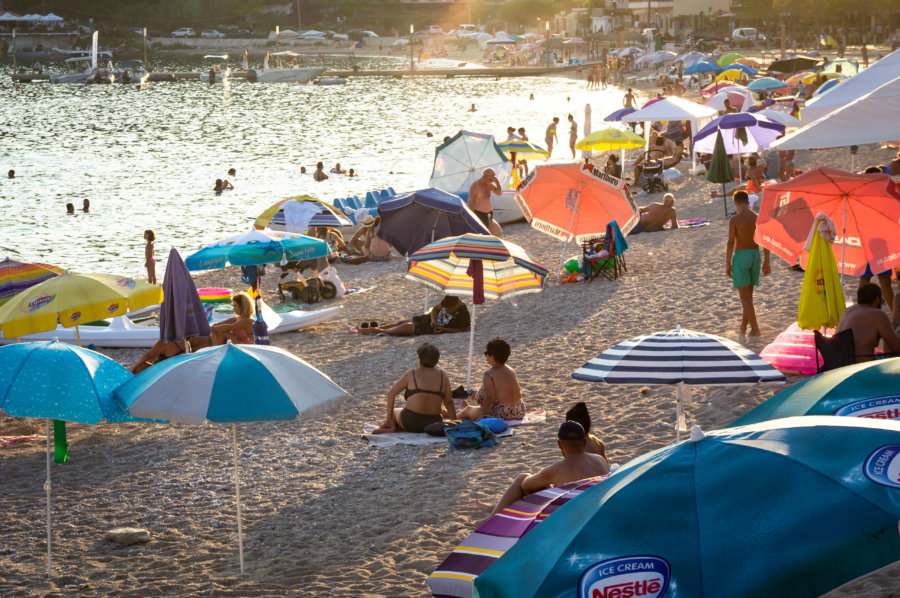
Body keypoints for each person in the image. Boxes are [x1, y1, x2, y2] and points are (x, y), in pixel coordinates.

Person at [481, 422, 610, 518]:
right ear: (585, 442)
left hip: (571, 518)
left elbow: (526, 485)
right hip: (598, 512)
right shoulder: (599, 459)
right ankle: (496, 508)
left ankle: (490, 519)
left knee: (523, 478)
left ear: (559, 445)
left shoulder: (557, 468)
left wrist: (549, 483)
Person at [372, 343, 456, 434]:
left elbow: (391, 394)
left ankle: (392, 426)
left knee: (396, 411)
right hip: (433, 422)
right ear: (437, 360)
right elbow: (449, 402)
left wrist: (388, 419)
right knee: (440, 411)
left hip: (410, 422)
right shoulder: (443, 376)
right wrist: (455, 423)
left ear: (419, 359)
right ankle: (396, 427)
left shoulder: (411, 374)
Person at [726, 190, 771, 337]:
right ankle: (743, 327)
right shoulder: (757, 218)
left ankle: (756, 329)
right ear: (748, 202)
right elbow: (765, 242)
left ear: (737, 203)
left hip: (742, 256)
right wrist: (767, 262)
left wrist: (727, 263)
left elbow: (731, 242)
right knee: (748, 295)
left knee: (744, 297)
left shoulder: (734, 219)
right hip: (755, 255)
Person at [457, 339, 525, 421]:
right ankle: (468, 408)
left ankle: (458, 413)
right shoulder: (511, 370)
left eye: (486, 354)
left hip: (502, 414)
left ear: (492, 357)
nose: (486, 356)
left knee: (469, 411)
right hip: (519, 411)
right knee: (487, 404)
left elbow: (489, 398)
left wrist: (482, 416)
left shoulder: (489, 374)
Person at [836, 283, 900, 361]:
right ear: (877, 300)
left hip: (838, 365)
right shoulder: (878, 315)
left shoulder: (847, 311)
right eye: (882, 300)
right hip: (861, 367)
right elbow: (896, 347)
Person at [359, 295, 470, 337]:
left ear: (455, 306)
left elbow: (465, 328)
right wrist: (433, 320)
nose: (446, 310)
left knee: (407, 327)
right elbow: (435, 309)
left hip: (438, 327)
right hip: (431, 320)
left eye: (448, 309)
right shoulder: (449, 300)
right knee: (401, 322)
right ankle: (383, 327)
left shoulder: (463, 314)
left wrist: (443, 329)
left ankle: (379, 330)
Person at [467, 168, 503, 236]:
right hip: (479, 215)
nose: (493, 178)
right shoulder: (475, 185)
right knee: (485, 235)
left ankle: (497, 246)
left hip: (489, 214)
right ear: (485, 175)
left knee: (498, 232)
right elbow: (470, 202)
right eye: (492, 176)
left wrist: (497, 183)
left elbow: (499, 193)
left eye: (494, 176)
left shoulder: (489, 185)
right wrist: (471, 217)